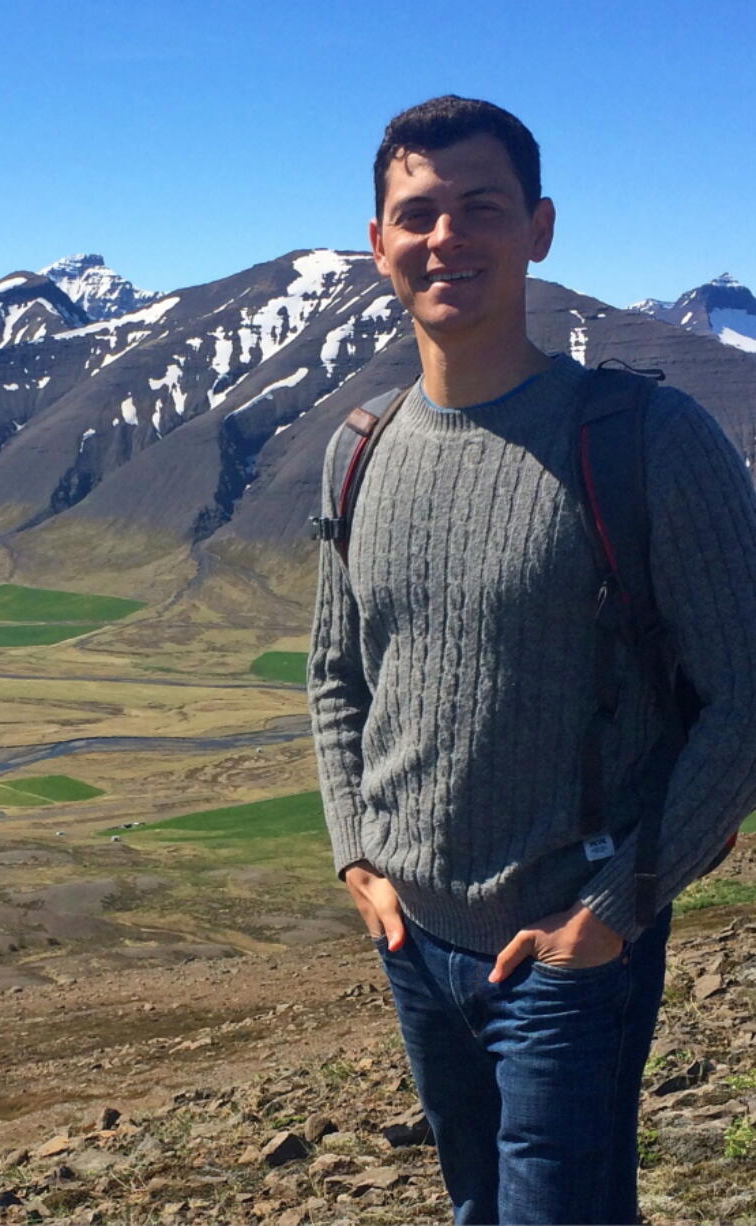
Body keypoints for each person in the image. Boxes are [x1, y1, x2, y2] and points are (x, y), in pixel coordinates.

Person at [307, 94, 756, 1226]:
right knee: (474, 1208)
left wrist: (612, 909)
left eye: (480, 207)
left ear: (538, 227)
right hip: (414, 943)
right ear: (377, 243)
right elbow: (335, 675)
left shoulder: (643, 440)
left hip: (563, 949)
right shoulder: (359, 450)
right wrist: (357, 853)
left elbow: (741, 690)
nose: (444, 235)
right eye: (416, 212)